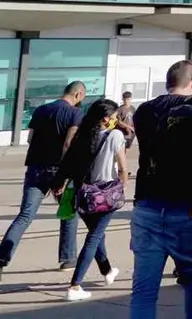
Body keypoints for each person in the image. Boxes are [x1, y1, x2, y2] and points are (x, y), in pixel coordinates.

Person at [130, 59, 192, 319]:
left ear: (168, 82)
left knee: (143, 289)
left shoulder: (143, 111)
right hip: (190, 207)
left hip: (148, 206)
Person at [0, 81, 85, 277]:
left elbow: (30, 138)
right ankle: (67, 258)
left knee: (25, 215)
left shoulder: (41, 110)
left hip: (36, 168)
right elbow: (68, 144)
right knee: (69, 213)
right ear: (78, 95)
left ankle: (2, 256)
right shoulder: (75, 114)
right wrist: (64, 176)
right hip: (59, 170)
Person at [56, 98, 127, 301]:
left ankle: (107, 270)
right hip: (105, 194)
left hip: (84, 193)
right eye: (114, 116)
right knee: (94, 237)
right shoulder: (115, 135)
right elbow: (122, 167)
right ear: (105, 118)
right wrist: (122, 185)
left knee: (97, 234)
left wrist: (59, 182)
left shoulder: (83, 135)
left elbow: (68, 162)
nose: (116, 119)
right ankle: (75, 285)